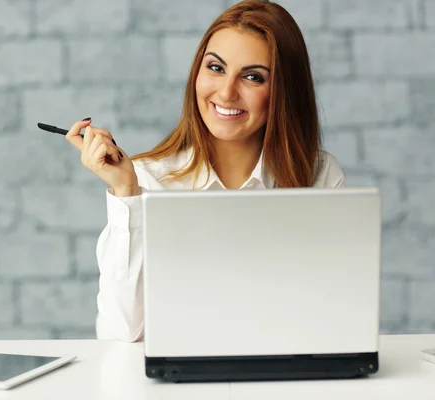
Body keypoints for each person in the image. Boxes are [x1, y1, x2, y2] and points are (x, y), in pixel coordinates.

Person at [65, 0, 345, 343]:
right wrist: (127, 192)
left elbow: (330, 316)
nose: (226, 92)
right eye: (216, 68)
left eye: (252, 77)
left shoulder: (320, 176)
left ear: (283, 93)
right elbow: (124, 332)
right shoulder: (148, 179)